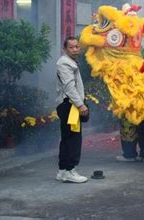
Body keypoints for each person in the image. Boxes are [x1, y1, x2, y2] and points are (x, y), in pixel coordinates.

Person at [55, 36, 89, 183]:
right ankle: (70, 170)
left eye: (77, 47)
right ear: (65, 49)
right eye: (72, 47)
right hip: (70, 105)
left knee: (67, 138)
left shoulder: (69, 62)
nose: (75, 49)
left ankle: (62, 171)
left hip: (70, 105)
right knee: (73, 139)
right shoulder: (64, 63)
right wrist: (80, 105)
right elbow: (69, 87)